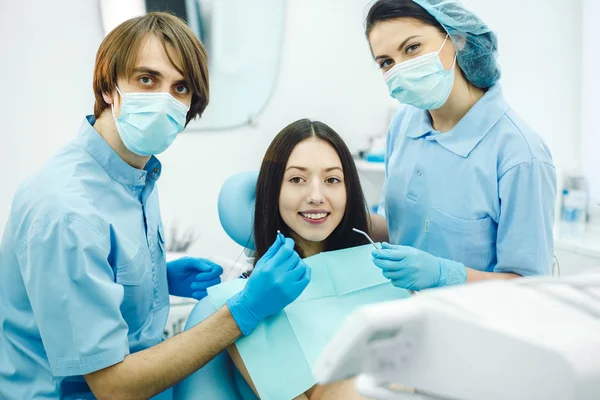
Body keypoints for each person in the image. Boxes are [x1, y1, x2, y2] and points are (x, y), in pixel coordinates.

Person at [0, 12, 310, 400]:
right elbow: (112, 386)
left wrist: (157, 279)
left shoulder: (135, 173)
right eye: (147, 80)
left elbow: (87, 277)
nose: (165, 99)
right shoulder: (65, 209)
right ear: (109, 86)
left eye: (180, 88)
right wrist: (244, 310)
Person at [365, 0, 557, 291]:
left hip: (469, 330)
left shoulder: (520, 155)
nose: (400, 68)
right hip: (401, 322)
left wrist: (448, 274)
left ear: (456, 38)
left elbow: (530, 289)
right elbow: (400, 230)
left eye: (412, 48)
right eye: (386, 62)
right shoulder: (403, 126)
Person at [229, 119, 407, 400]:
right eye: (297, 179)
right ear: (272, 190)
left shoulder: (387, 271)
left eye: (332, 180)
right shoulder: (251, 306)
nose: (316, 196)